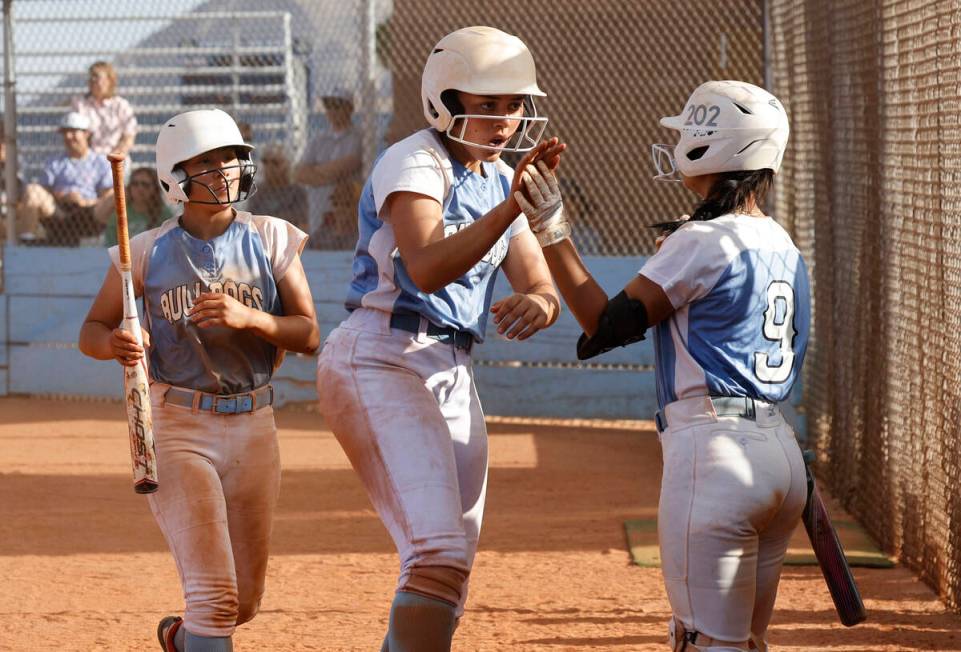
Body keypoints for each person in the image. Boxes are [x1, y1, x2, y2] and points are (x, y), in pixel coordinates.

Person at [514, 80, 811, 652]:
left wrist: (551, 229)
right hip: (779, 453)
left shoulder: (704, 239)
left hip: (715, 453)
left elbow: (601, 327)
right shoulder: (783, 242)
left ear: (713, 148)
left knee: (705, 642)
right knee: (748, 641)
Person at [315, 26, 563, 652]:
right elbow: (423, 265)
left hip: (450, 370)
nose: (504, 118)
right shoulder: (416, 158)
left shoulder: (498, 177)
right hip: (380, 356)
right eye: (486, 103)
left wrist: (540, 301)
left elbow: (540, 282)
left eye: (513, 104)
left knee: (449, 576)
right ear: (444, 101)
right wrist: (509, 210)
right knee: (437, 553)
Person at [77, 108, 320, 652]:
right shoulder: (144, 251)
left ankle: (183, 640)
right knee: (214, 596)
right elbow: (91, 331)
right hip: (178, 423)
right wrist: (115, 344)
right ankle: (201, 629)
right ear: (175, 179)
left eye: (233, 157)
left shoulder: (272, 238)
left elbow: (307, 335)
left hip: (256, 424)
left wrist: (250, 318)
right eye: (207, 161)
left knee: (244, 602)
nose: (226, 169)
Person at [19, 111, 113, 246]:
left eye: (74, 131)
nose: (68, 136)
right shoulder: (54, 162)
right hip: (59, 212)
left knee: (116, 194)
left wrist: (85, 202)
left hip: (90, 213)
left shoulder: (101, 162)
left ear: (86, 134)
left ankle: (116, 241)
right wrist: (62, 196)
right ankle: (27, 240)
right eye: (65, 132)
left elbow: (107, 195)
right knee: (32, 189)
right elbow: (43, 191)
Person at [293, 86, 362, 249]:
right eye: (328, 105)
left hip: (347, 214)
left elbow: (350, 163)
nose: (332, 110)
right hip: (319, 210)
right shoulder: (318, 139)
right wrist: (334, 172)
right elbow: (299, 174)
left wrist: (315, 173)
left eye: (337, 105)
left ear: (349, 108)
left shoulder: (359, 137)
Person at [71, 60, 138, 158]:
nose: (92, 81)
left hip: (115, 157)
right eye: (91, 77)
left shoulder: (121, 105)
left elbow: (128, 137)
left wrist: (114, 155)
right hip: (87, 157)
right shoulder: (80, 104)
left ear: (109, 81)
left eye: (96, 77)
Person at [95, 166, 175, 246]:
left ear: (154, 188)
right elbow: (112, 244)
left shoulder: (163, 214)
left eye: (145, 185)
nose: (140, 188)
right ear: (130, 187)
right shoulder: (121, 213)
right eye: (135, 184)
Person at [247, 144, 308, 230]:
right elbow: (250, 222)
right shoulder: (257, 190)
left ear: (287, 164)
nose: (269, 167)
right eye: (265, 162)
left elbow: (302, 225)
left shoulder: (297, 192)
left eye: (275, 163)